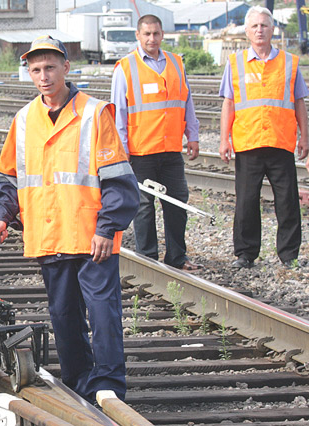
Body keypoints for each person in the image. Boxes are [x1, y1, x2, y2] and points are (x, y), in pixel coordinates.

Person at [0, 36, 139, 402]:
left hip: (92, 238)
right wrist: (2, 216)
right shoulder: (23, 121)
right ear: (29, 72)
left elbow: (119, 180)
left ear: (65, 68)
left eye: (50, 67)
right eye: (36, 69)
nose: (44, 76)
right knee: (64, 316)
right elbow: (10, 178)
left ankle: (109, 388)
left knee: (103, 316)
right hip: (50, 236)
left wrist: (108, 227)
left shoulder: (94, 113)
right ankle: (79, 384)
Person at [219, 6, 308, 269]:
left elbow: (300, 102)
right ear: (247, 32)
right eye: (255, 26)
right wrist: (224, 139)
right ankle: (246, 254)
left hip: (281, 142)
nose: (260, 30)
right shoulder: (235, 64)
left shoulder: (289, 63)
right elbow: (228, 103)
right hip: (248, 142)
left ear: (273, 29)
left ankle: (289, 255)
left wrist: (305, 137)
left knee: (288, 201)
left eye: (264, 25)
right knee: (246, 201)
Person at [111, 14, 202, 271]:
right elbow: (119, 112)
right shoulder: (125, 68)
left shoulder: (176, 63)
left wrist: (192, 134)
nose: (152, 38)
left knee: (177, 204)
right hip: (140, 152)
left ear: (162, 35)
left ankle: (177, 257)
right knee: (143, 207)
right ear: (138, 36)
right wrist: (122, 150)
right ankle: (147, 259)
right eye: (147, 34)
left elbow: (187, 103)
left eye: (156, 33)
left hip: (171, 150)